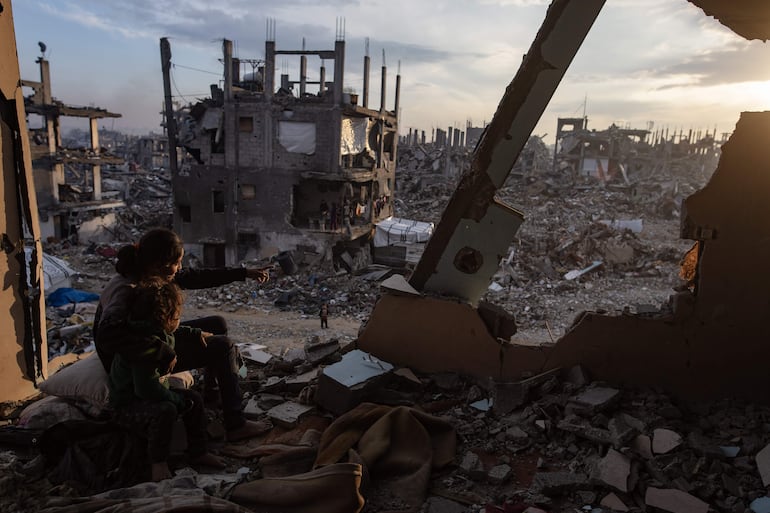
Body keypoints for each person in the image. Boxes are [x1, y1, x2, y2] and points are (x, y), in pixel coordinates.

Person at [94, 227, 271, 442]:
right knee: (224, 347)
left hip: (147, 338)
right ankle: (236, 424)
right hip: (132, 358)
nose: (179, 269)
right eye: (177, 263)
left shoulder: (152, 272)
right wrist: (162, 351)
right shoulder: (127, 288)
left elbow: (195, 277)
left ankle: (212, 395)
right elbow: (107, 336)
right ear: (159, 263)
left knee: (217, 324)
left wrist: (243, 273)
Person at [108, 277, 226, 481]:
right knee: (166, 410)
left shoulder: (157, 330)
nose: (180, 320)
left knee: (195, 399)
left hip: (151, 391)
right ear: (167, 318)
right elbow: (146, 390)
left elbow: (176, 332)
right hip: (129, 404)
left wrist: (197, 334)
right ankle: (158, 463)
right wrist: (177, 400)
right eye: (178, 316)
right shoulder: (144, 347)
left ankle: (198, 452)